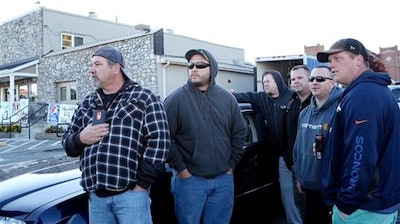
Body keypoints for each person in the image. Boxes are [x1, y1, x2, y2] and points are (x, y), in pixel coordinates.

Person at [62, 46, 170, 224]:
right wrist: (81, 138)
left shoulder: (143, 98)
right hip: (96, 199)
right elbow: (67, 143)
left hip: (131, 196)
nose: (92, 69)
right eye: (91, 65)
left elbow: (160, 142)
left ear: (116, 68)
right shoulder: (88, 102)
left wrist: (141, 185)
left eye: (97, 64)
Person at [317, 38, 400, 224]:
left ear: (359, 60)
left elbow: (360, 155)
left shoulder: (364, 96)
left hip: (363, 209)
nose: (332, 65)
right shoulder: (366, 91)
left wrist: (347, 203)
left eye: (338, 59)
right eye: (330, 61)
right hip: (372, 205)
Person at [164, 49, 246, 224]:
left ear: (213, 68)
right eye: (190, 65)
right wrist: (183, 171)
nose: (194, 69)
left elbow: (239, 134)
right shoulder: (175, 100)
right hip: (190, 182)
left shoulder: (227, 99)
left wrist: (231, 166)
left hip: (223, 180)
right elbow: (164, 140)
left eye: (200, 65)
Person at [233, 70, 303, 224]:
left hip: (300, 156)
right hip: (282, 158)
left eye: (268, 81)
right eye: (263, 82)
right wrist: (228, 94)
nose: (265, 84)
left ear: (277, 82)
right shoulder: (261, 98)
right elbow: (242, 96)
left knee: (305, 194)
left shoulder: (293, 98)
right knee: (288, 196)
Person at [292, 65, 343, 224]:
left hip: (332, 189)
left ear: (332, 83)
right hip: (308, 187)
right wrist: (298, 175)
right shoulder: (304, 113)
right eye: (312, 79)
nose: (314, 82)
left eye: (320, 79)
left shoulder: (341, 109)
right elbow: (298, 147)